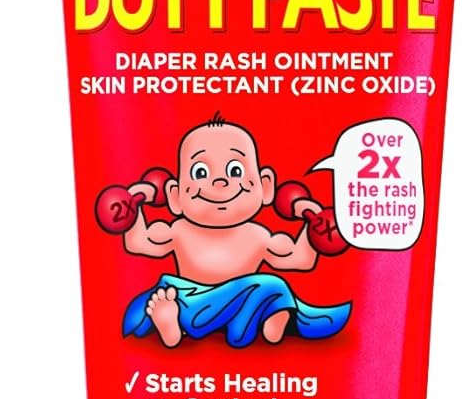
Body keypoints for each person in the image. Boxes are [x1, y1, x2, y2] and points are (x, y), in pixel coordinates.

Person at [118, 115, 351, 348]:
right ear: (175, 196)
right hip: (189, 300)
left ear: (265, 186)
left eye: (235, 170)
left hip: (241, 303)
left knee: (273, 286)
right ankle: (174, 324)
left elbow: (300, 260)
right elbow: (138, 243)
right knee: (260, 288)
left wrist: (312, 223)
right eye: (201, 172)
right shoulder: (179, 230)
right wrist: (133, 203)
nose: (220, 182)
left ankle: (270, 319)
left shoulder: (257, 236)